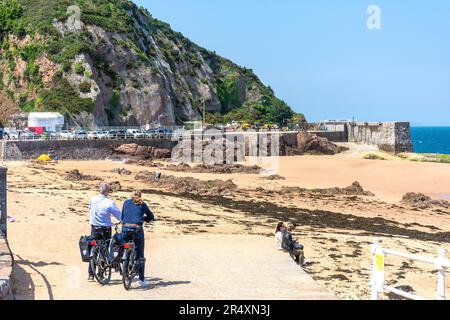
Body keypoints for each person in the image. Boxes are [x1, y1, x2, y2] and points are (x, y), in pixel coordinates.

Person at [121, 190, 155, 289]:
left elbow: (123, 215)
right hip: (137, 229)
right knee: (140, 254)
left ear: (131, 196)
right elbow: (151, 217)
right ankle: (142, 279)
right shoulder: (142, 204)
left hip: (125, 228)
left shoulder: (126, 202)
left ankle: (125, 270)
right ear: (140, 196)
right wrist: (144, 219)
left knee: (125, 247)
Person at [88, 183, 122, 281]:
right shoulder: (110, 202)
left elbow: (90, 209)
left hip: (94, 227)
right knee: (105, 249)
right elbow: (119, 215)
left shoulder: (93, 199)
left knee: (93, 249)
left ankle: (91, 274)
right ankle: (101, 273)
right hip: (105, 229)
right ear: (107, 191)